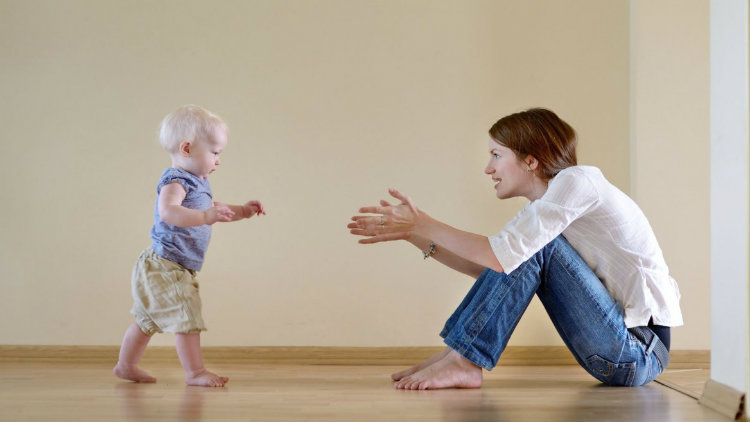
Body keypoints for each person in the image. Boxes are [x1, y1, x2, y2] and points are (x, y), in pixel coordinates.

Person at [348, 108, 682, 390]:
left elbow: (500, 257)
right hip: (616, 352)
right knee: (515, 255)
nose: (488, 168)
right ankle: (456, 354)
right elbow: (495, 271)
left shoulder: (578, 182)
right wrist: (414, 235)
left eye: (496, 155)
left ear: (530, 161)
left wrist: (424, 223)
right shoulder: (547, 208)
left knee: (522, 251)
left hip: (637, 351)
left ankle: (464, 360)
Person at [114, 105, 266, 387]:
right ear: (187, 148)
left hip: (167, 265)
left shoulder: (200, 182)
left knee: (147, 320)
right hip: (166, 265)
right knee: (188, 316)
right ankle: (195, 373)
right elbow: (168, 212)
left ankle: (126, 365)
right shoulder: (176, 180)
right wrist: (206, 216)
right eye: (215, 152)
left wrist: (243, 210)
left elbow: (216, 209)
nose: (219, 160)